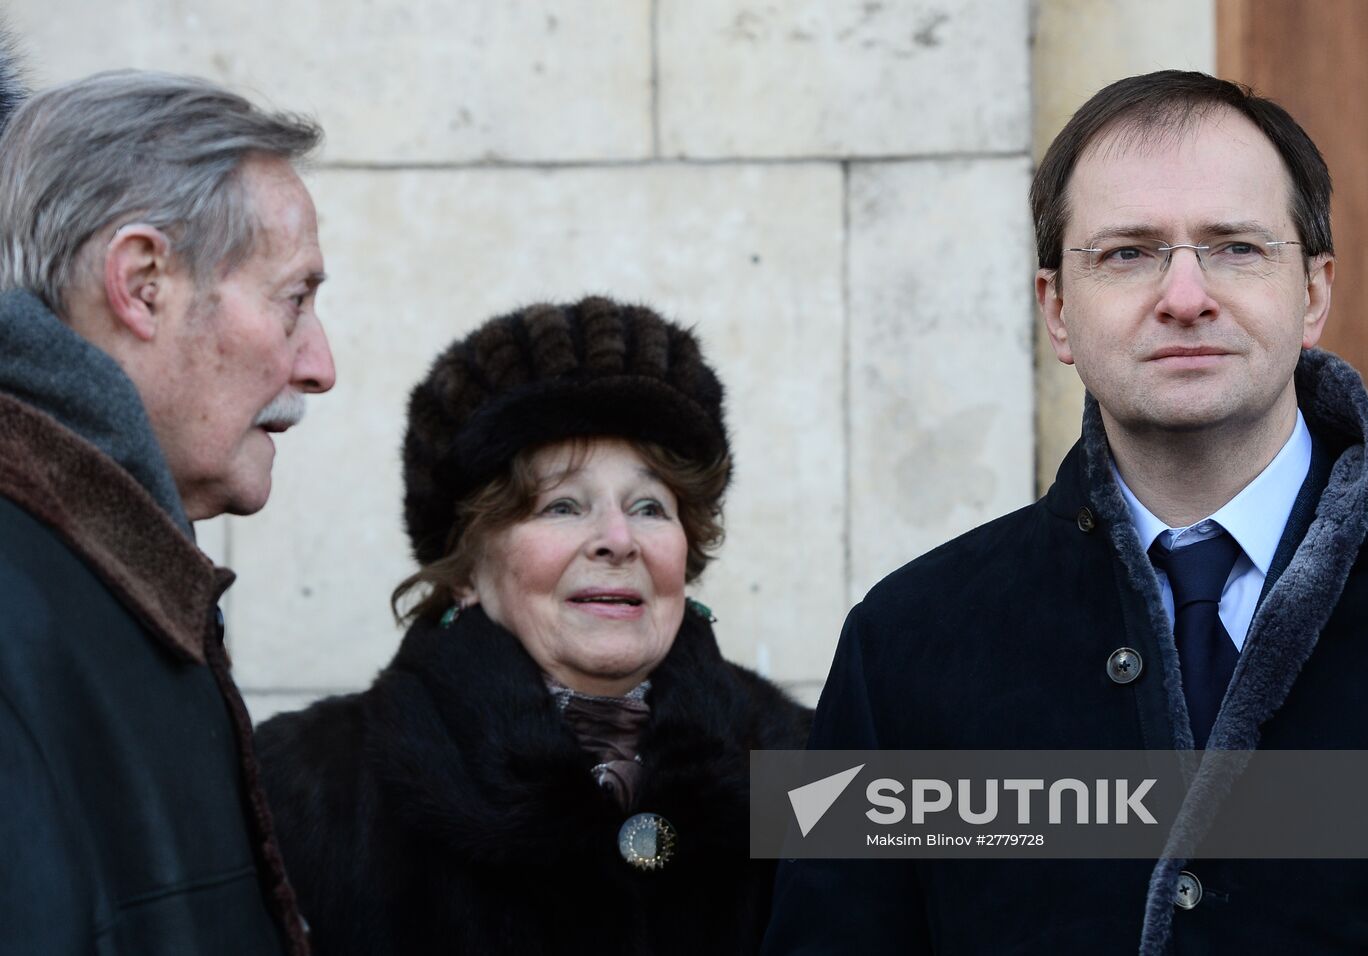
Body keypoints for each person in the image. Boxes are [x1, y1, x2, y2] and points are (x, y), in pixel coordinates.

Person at [763, 70, 1368, 954]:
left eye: (1236, 247)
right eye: (1128, 253)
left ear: (1315, 295)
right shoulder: (903, 642)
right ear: (1057, 309)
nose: (1185, 296)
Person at [255, 296, 811, 954]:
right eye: (562, 506)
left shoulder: (805, 765)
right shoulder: (305, 785)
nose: (616, 539)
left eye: (650, 507)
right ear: (465, 566)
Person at [0, 71, 335, 955]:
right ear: (143, 283)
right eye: (294, 299)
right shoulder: (23, 606)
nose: (319, 365)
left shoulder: (98, 577)